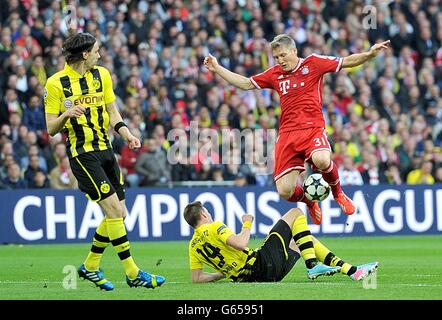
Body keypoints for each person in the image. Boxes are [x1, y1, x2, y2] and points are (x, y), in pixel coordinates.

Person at [204, 34, 390, 225]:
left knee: (322, 159)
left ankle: (338, 194)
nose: (280, 60)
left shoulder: (314, 63)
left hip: (312, 128)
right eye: (276, 57)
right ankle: (309, 200)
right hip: (287, 134)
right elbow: (245, 83)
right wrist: (217, 68)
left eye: (283, 55)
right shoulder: (274, 74)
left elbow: (346, 61)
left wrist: (369, 54)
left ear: (294, 51)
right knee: (284, 191)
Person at [44, 32, 165, 291]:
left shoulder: (103, 75)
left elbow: (112, 111)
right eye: (96, 51)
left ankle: (90, 265)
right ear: (85, 54)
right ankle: (132, 272)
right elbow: (51, 128)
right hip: (83, 154)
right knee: (112, 211)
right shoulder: (56, 83)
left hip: (106, 151)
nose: (99, 55)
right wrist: (66, 113)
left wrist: (127, 133)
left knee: (119, 213)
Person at [184, 201, 378, 283]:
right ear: (203, 214)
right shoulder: (214, 226)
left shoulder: (193, 246)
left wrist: (224, 273)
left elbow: (197, 278)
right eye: (207, 211)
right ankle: (311, 266)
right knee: (296, 213)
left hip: (260, 276)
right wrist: (247, 223)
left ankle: (352, 271)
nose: (209, 213)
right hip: (261, 265)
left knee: (305, 241)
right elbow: (241, 243)